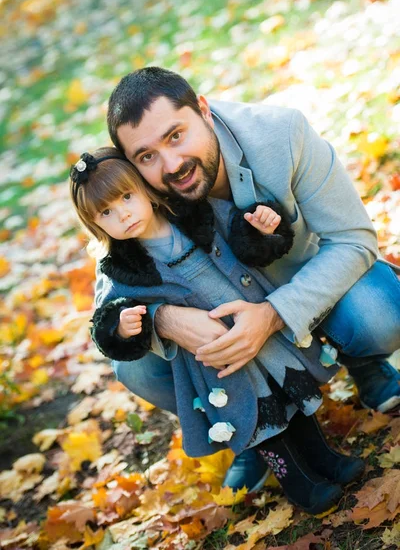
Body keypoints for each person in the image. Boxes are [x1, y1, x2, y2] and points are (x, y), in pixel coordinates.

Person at [101, 67, 400, 492]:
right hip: (219, 332)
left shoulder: (282, 134)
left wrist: (273, 314)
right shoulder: (136, 194)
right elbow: (107, 291)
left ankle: (362, 360)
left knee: (378, 313)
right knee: (135, 369)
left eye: (176, 135)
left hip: (306, 291)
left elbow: (353, 240)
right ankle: (242, 423)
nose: (171, 165)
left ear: (203, 110)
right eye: (146, 156)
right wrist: (163, 319)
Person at [70, 147, 365, 515]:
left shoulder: (196, 214)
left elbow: (243, 235)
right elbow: (106, 318)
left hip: (260, 332)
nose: (123, 214)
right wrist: (124, 325)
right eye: (107, 213)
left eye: (127, 197)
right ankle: (297, 480)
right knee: (255, 412)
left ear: (145, 189)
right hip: (217, 363)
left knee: (288, 393)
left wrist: (260, 229)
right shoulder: (125, 269)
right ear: (97, 226)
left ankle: (325, 459)